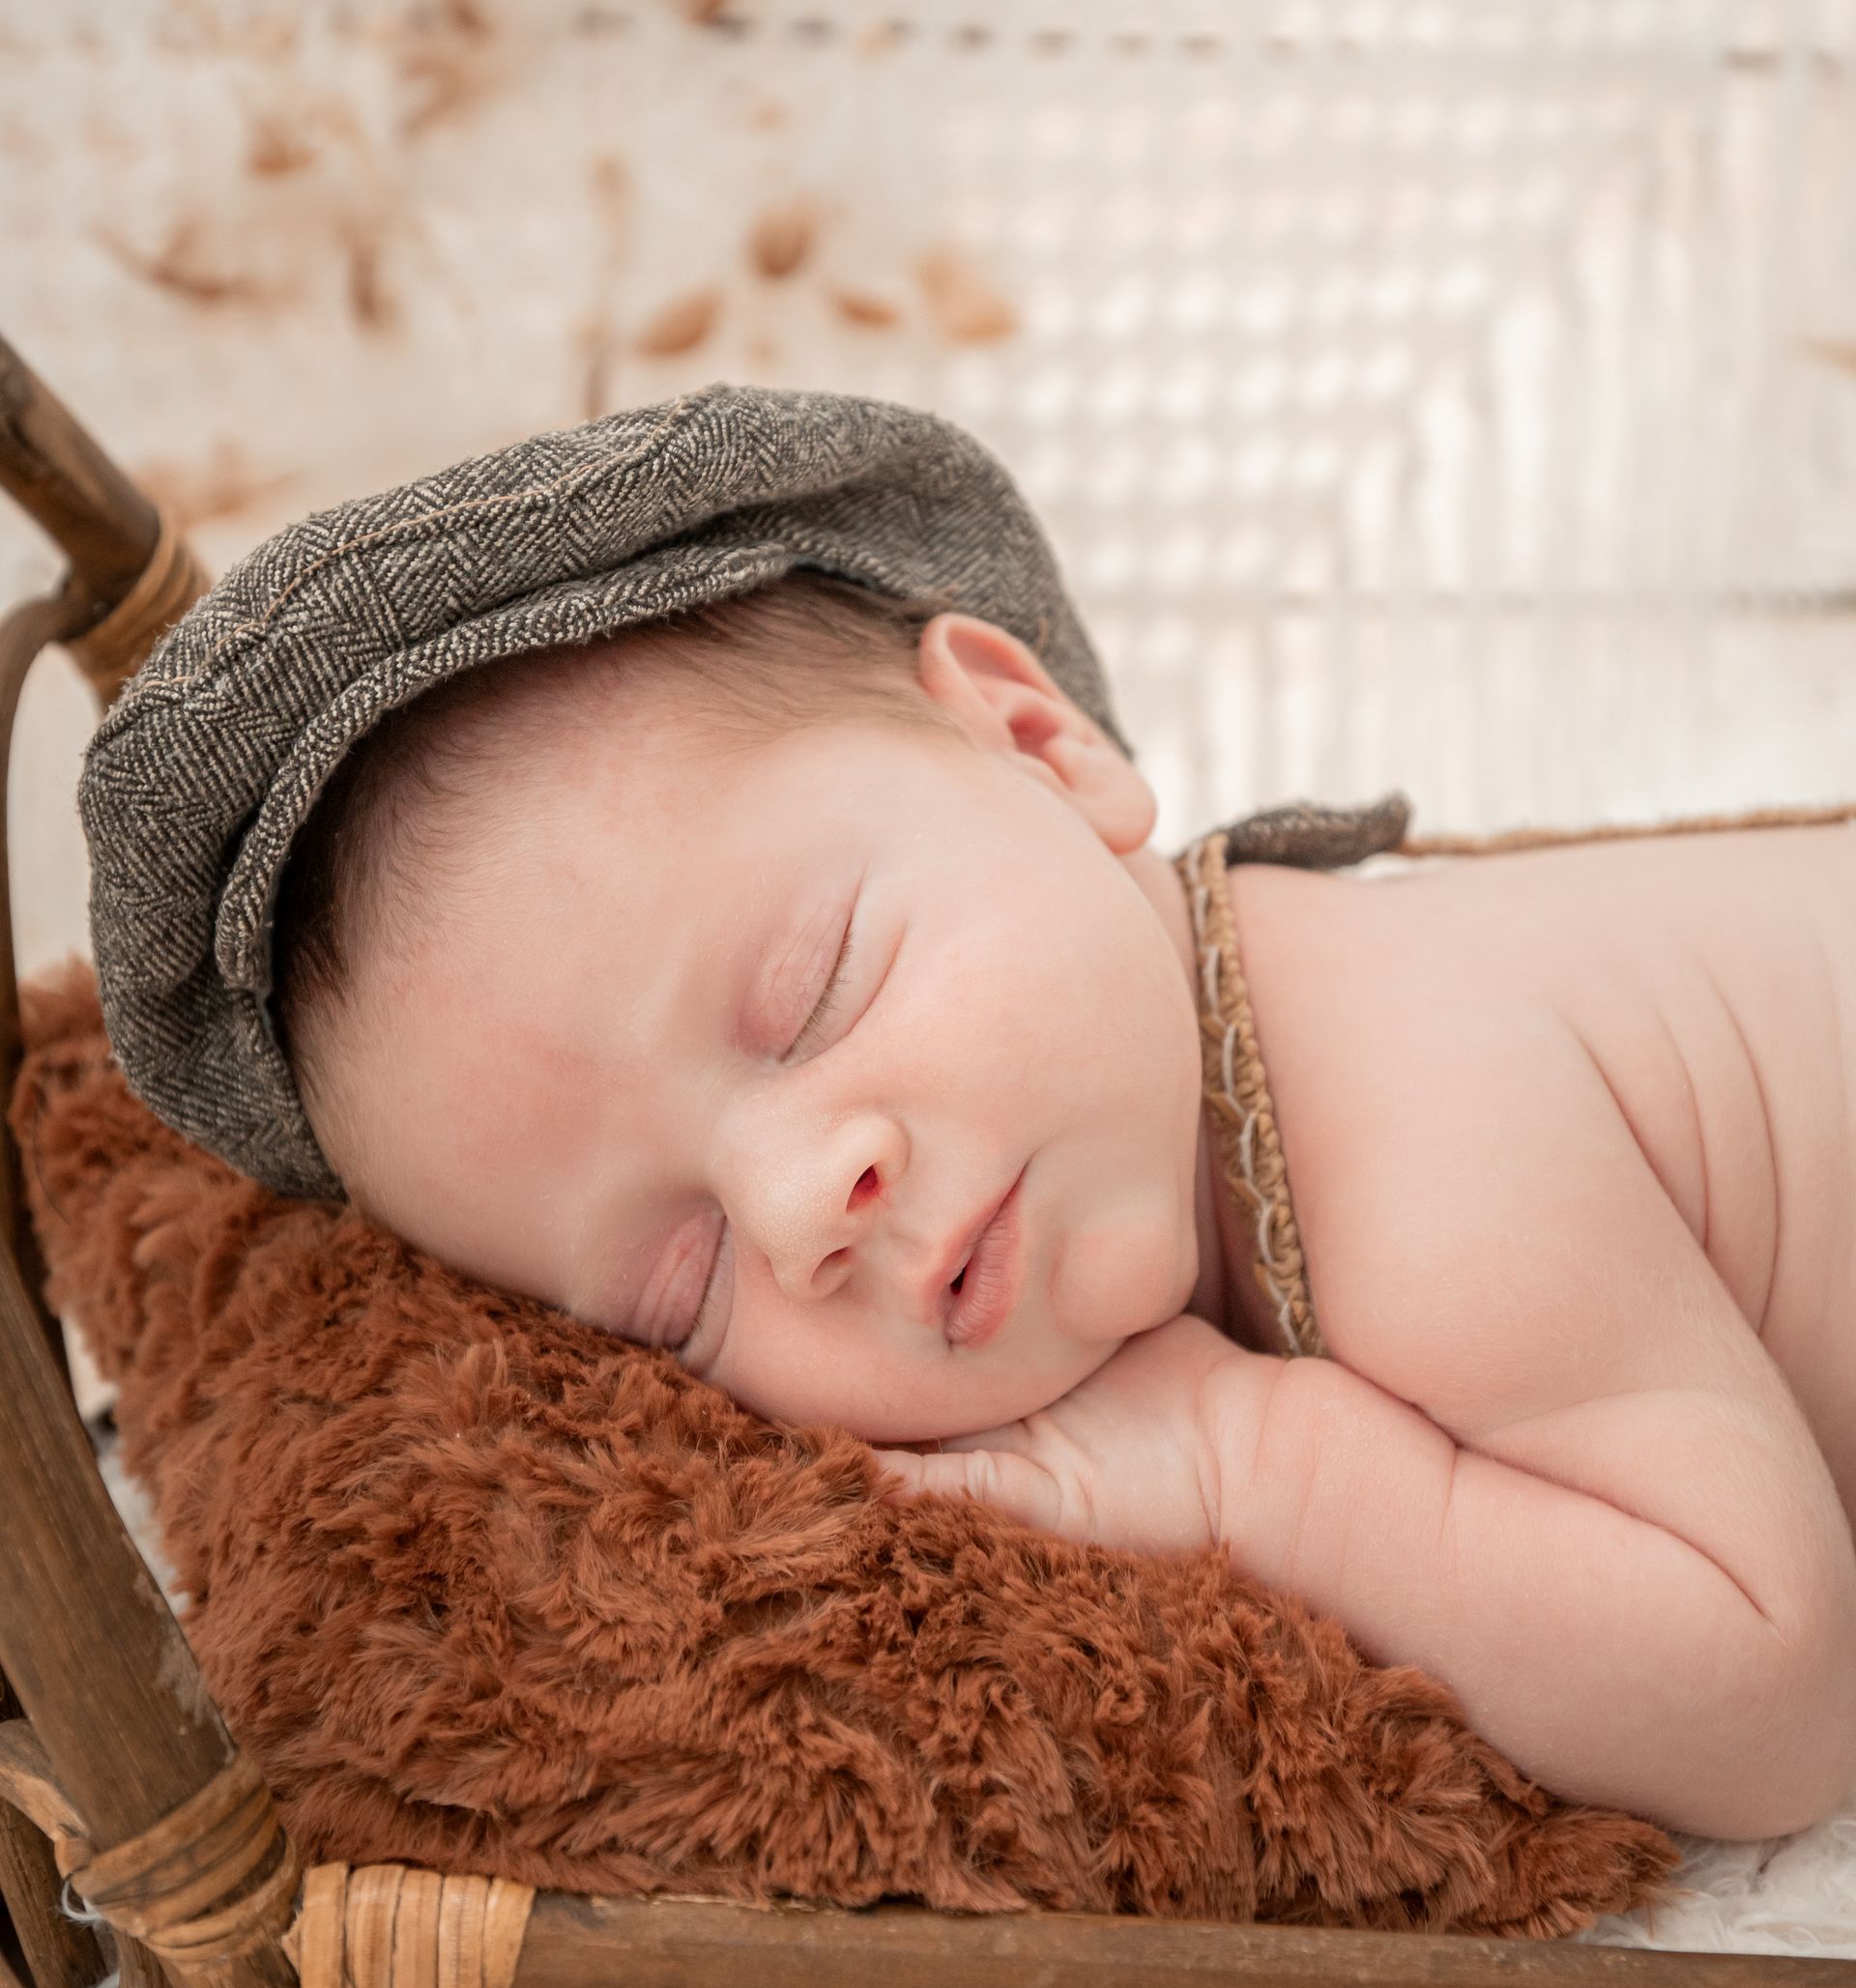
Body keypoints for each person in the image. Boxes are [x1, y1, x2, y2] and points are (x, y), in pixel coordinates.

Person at [82, 386, 1856, 1842]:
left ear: (1040, 743)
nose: (802, 1205)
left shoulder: (1415, 1117)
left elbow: (1777, 1700)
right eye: (678, 1285)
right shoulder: (1179, 1091)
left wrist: (1264, 1465)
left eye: (813, 986)